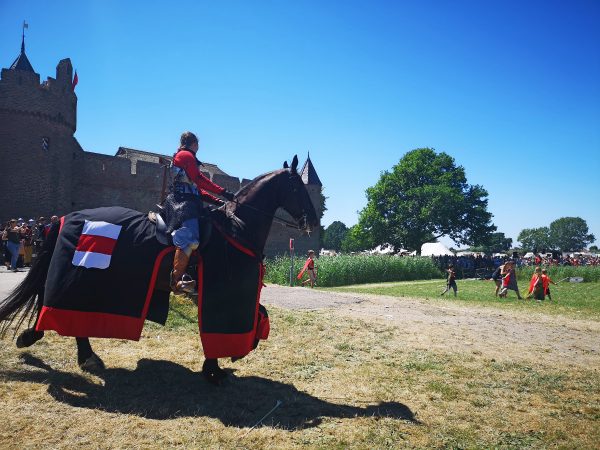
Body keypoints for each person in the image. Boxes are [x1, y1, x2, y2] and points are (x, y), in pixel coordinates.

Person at [168, 131, 235, 294]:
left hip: (191, 201)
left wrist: (219, 201)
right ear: (194, 144)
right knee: (189, 236)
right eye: (198, 144)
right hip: (182, 203)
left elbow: (197, 190)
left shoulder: (187, 158)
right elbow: (199, 180)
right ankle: (176, 280)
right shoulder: (186, 156)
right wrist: (223, 191)